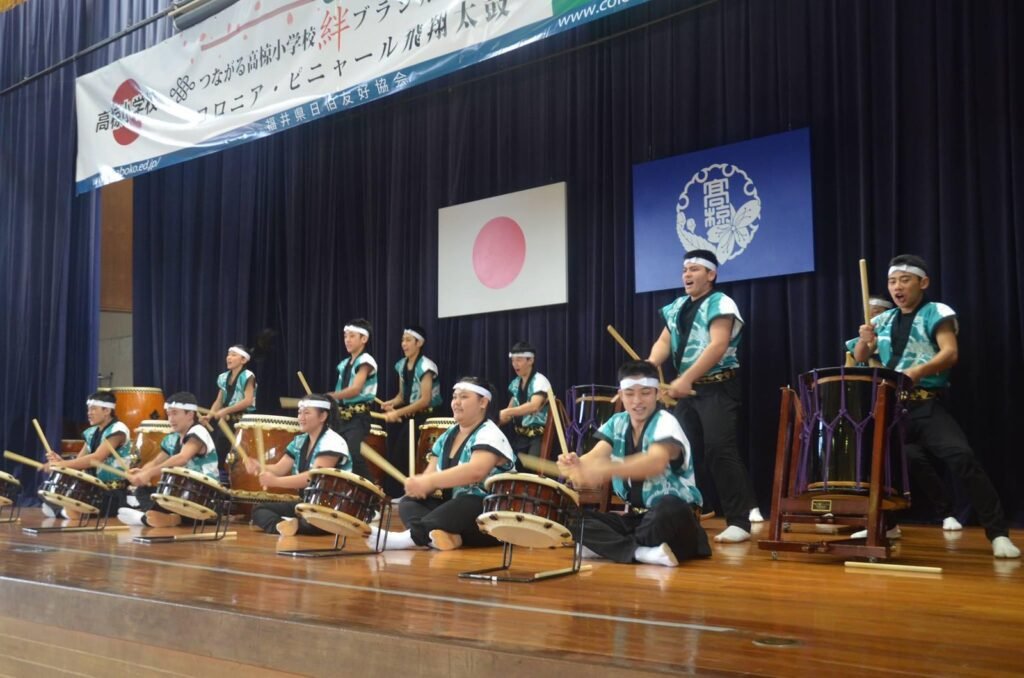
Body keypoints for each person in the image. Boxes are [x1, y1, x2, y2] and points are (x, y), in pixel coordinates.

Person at [850, 254, 1018, 558]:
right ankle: (885, 525)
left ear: (922, 283)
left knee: (962, 457)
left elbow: (950, 353)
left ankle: (998, 533)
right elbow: (861, 356)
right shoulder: (881, 320)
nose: (897, 287)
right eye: (892, 281)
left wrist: (917, 372)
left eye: (905, 280)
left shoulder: (935, 312)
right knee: (882, 469)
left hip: (925, 403)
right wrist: (864, 339)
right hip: (890, 407)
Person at [646, 249, 759, 543]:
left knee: (720, 450)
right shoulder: (677, 306)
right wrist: (649, 365)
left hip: (717, 386)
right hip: (689, 390)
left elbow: (718, 345)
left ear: (711, 274)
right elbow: (664, 340)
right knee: (682, 452)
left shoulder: (721, 302)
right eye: (685, 269)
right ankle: (685, 516)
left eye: (695, 269)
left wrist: (685, 378)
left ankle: (740, 520)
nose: (687, 275)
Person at [557, 361, 711, 567]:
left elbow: (654, 463)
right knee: (565, 517)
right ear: (621, 395)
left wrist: (605, 469)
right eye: (629, 394)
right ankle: (641, 552)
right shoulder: (617, 423)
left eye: (645, 393)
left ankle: (611, 548)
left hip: (671, 520)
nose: (637, 401)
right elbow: (595, 456)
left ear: (657, 394)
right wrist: (574, 464)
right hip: (634, 520)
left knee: (669, 508)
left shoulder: (666, 422)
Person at [369, 377, 515, 551]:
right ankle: (444, 536)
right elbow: (430, 477)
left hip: (490, 519)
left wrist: (430, 482)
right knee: (410, 502)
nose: (456, 402)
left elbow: (476, 471)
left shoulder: (490, 433)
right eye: (454, 397)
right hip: (457, 518)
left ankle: (409, 538)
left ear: (483, 402)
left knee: (471, 501)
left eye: (464, 397)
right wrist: (419, 484)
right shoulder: (447, 437)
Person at [250, 394, 350, 536]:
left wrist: (275, 482)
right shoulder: (299, 441)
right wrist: (260, 466)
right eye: (299, 412)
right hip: (308, 505)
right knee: (259, 510)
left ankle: (294, 524)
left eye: (307, 413)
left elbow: (313, 478)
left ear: (322, 417)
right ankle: (283, 526)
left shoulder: (332, 441)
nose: (301, 417)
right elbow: (280, 468)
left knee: (313, 521)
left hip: (331, 508)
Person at [119, 392, 219, 528]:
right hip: (180, 493)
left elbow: (182, 458)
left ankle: (149, 517)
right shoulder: (172, 438)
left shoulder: (198, 431)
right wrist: (141, 472)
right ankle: (162, 517)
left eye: (175, 413)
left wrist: (149, 473)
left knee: (165, 497)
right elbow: (156, 462)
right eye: (168, 414)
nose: (170, 419)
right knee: (143, 490)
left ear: (190, 414)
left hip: (203, 497)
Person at [42, 391, 131, 519]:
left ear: (106, 411)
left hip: (111, 492)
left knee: (69, 507)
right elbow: (80, 461)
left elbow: (96, 459)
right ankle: (65, 511)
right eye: (88, 409)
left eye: (93, 409)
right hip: (92, 490)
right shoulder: (91, 432)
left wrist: (61, 464)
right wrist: (61, 462)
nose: (89, 413)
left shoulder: (118, 431)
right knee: (46, 491)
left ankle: (64, 512)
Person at [381, 325, 442, 496]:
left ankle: (410, 491)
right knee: (398, 452)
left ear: (419, 343)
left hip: (428, 417)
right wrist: (390, 404)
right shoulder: (402, 366)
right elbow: (402, 396)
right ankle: (401, 492)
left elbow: (425, 400)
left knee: (406, 453)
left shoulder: (426, 366)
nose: (403, 344)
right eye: (403, 340)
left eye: (408, 340)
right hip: (411, 417)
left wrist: (397, 413)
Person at [200, 344, 257, 482]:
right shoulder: (223, 377)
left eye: (233, 355)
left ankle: (238, 482)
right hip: (226, 420)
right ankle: (223, 482)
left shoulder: (248, 376)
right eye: (228, 354)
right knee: (221, 450)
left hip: (243, 420)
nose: (229, 358)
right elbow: (219, 400)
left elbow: (248, 401)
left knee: (237, 453)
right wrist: (210, 415)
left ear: (243, 360)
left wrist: (226, 410)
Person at [328, 319, 376, 480]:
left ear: (364, 339)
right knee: (334, 452)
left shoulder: (366, 361)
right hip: (342, 417)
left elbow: (355, 389)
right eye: (345, 336)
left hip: (358, 417)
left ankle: (372, 491)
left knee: (353, 452)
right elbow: (340, 390)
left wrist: (330, 396)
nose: (347, 340)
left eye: (352, 336)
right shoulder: (344, 364)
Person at [498, 341, 550, 459]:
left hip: (538, 437)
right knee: (512, 466)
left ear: (530, 360)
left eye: (519, 360)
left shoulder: (540, 381)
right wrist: (492, 420)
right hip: (521, 437)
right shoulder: (515, 383)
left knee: (531, 471)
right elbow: (509, 412)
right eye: (513, 360)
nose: (515, 364)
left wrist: (507, 412)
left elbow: (534, 406)